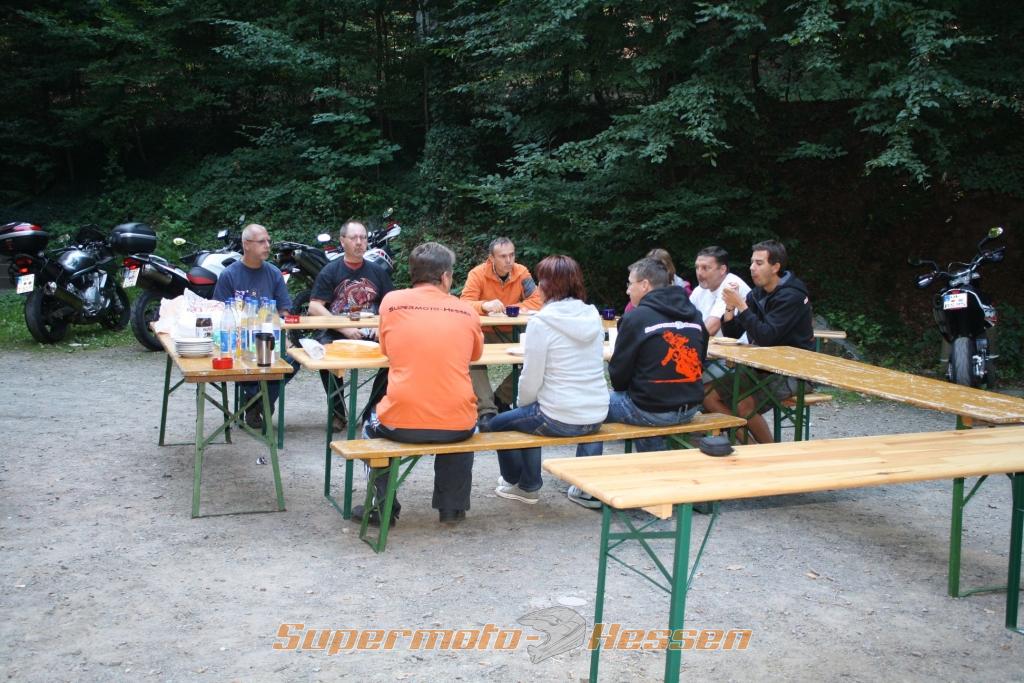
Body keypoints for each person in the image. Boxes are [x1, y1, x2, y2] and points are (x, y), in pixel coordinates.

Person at [358, 242, 484, 526]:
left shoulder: (391, 302)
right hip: (457, 424)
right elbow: (475, 355)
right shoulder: (466, 310)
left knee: (368, 427)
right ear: (445, 277)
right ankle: (452, 507)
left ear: (413, 274)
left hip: (401, 421)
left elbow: (386, 349)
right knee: (464, 421)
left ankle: (383, 508)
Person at [569, 257, 707, 509]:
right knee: (648, 397)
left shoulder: (636, 318)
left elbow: (618, 376)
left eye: (629, 283)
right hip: (690, 407)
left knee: (592, 405)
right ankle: (659, 479)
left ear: (645, 285)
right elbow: (702, 359)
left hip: (652, 409)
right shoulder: (695, 315)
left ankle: (585, 487)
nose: (627, 290)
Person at [480, 255, 609, 504]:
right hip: (597, 412)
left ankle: (524, 485)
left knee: (499, 423)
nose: (537, 287)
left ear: (547, 286)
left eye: (540, 281)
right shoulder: (593, 315)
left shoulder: (541, 322)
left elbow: (531, 378)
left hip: (559, 416)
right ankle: (586, 487)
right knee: (533, 414)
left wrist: (522, 405)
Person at [712, 239, 815, 444]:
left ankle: (770, 452)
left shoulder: (792, 296)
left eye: (759, 263)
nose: (752, 268)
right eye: (752, 262)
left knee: (743, 404)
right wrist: (730, 307)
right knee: (707, 395)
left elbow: (767, 337)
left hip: (793, 371)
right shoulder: (757, 293)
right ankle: (750, 447)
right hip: (761, 368)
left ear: (775, 267)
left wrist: (741, 305)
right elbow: (733, 332)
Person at [308, 219, 394, 429]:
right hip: (337, 331)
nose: (359, 242)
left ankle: (371, 411)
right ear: (342, 241)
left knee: (397, 356)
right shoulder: (330, 271)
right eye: (354, 237)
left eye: (363, 237)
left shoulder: (378, 271)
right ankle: (338, 412)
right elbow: (314, 306)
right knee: (323, 355)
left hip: (371, 330)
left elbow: (391, 305)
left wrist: (379, 326)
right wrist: (343, 328)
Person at [212, 223, 292, 429]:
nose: (267, 246)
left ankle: (257, 402)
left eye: (268, 241)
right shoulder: (229, 274)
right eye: (261, 242)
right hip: (239, 339)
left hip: (268, 337)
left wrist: (286, 337)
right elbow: (219, 313)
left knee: (293, 358)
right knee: (245, 359)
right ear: (246, 244)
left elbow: (284, 311)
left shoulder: (274, 273)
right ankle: (258, 399)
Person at [460, 237, 543, 422]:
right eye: (503, 256)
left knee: (537, 355)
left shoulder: (521, 272)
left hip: (513, 331)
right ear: (491, 258)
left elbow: (537, 301)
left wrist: (509, 309)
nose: (509, 260)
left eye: (512, 255)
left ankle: (501, 399)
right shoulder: (477, 274)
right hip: (484, 333)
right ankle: (487, 410)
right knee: (471, 357)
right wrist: (484, 305)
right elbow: (464, 303)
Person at [689, 246, 752, 405]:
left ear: (722, 269)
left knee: (685, 384)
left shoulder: (731, 285)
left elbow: (711, 328)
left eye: (705, 268)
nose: (699, 272)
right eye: (697, 267)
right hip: (711, 355)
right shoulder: (701, 289)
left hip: (736, 361)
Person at [622, 248, 691, 313]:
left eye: (662, 267)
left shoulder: (686, 294)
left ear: (670, 267)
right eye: (651, 266)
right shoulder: (633, 304)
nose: (657, 270)